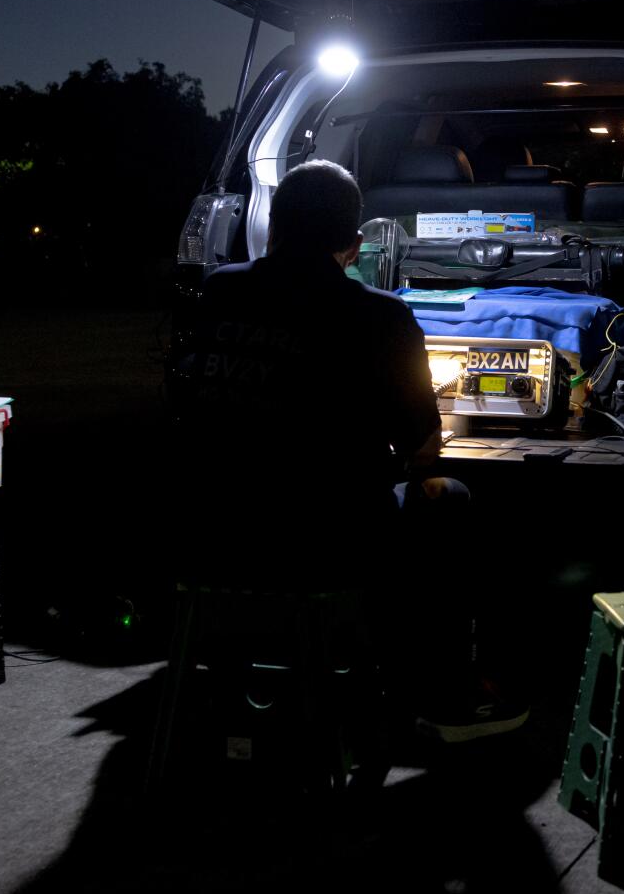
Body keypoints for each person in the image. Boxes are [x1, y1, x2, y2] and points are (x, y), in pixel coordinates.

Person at [182, 159, 526, 741]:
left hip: (214, 535)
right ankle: (440, 691)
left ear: (273, 226)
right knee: (447, 499)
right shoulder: (381, 315)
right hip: (324, 544)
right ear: (355, 244)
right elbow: (421, 445)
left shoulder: (219, 290)